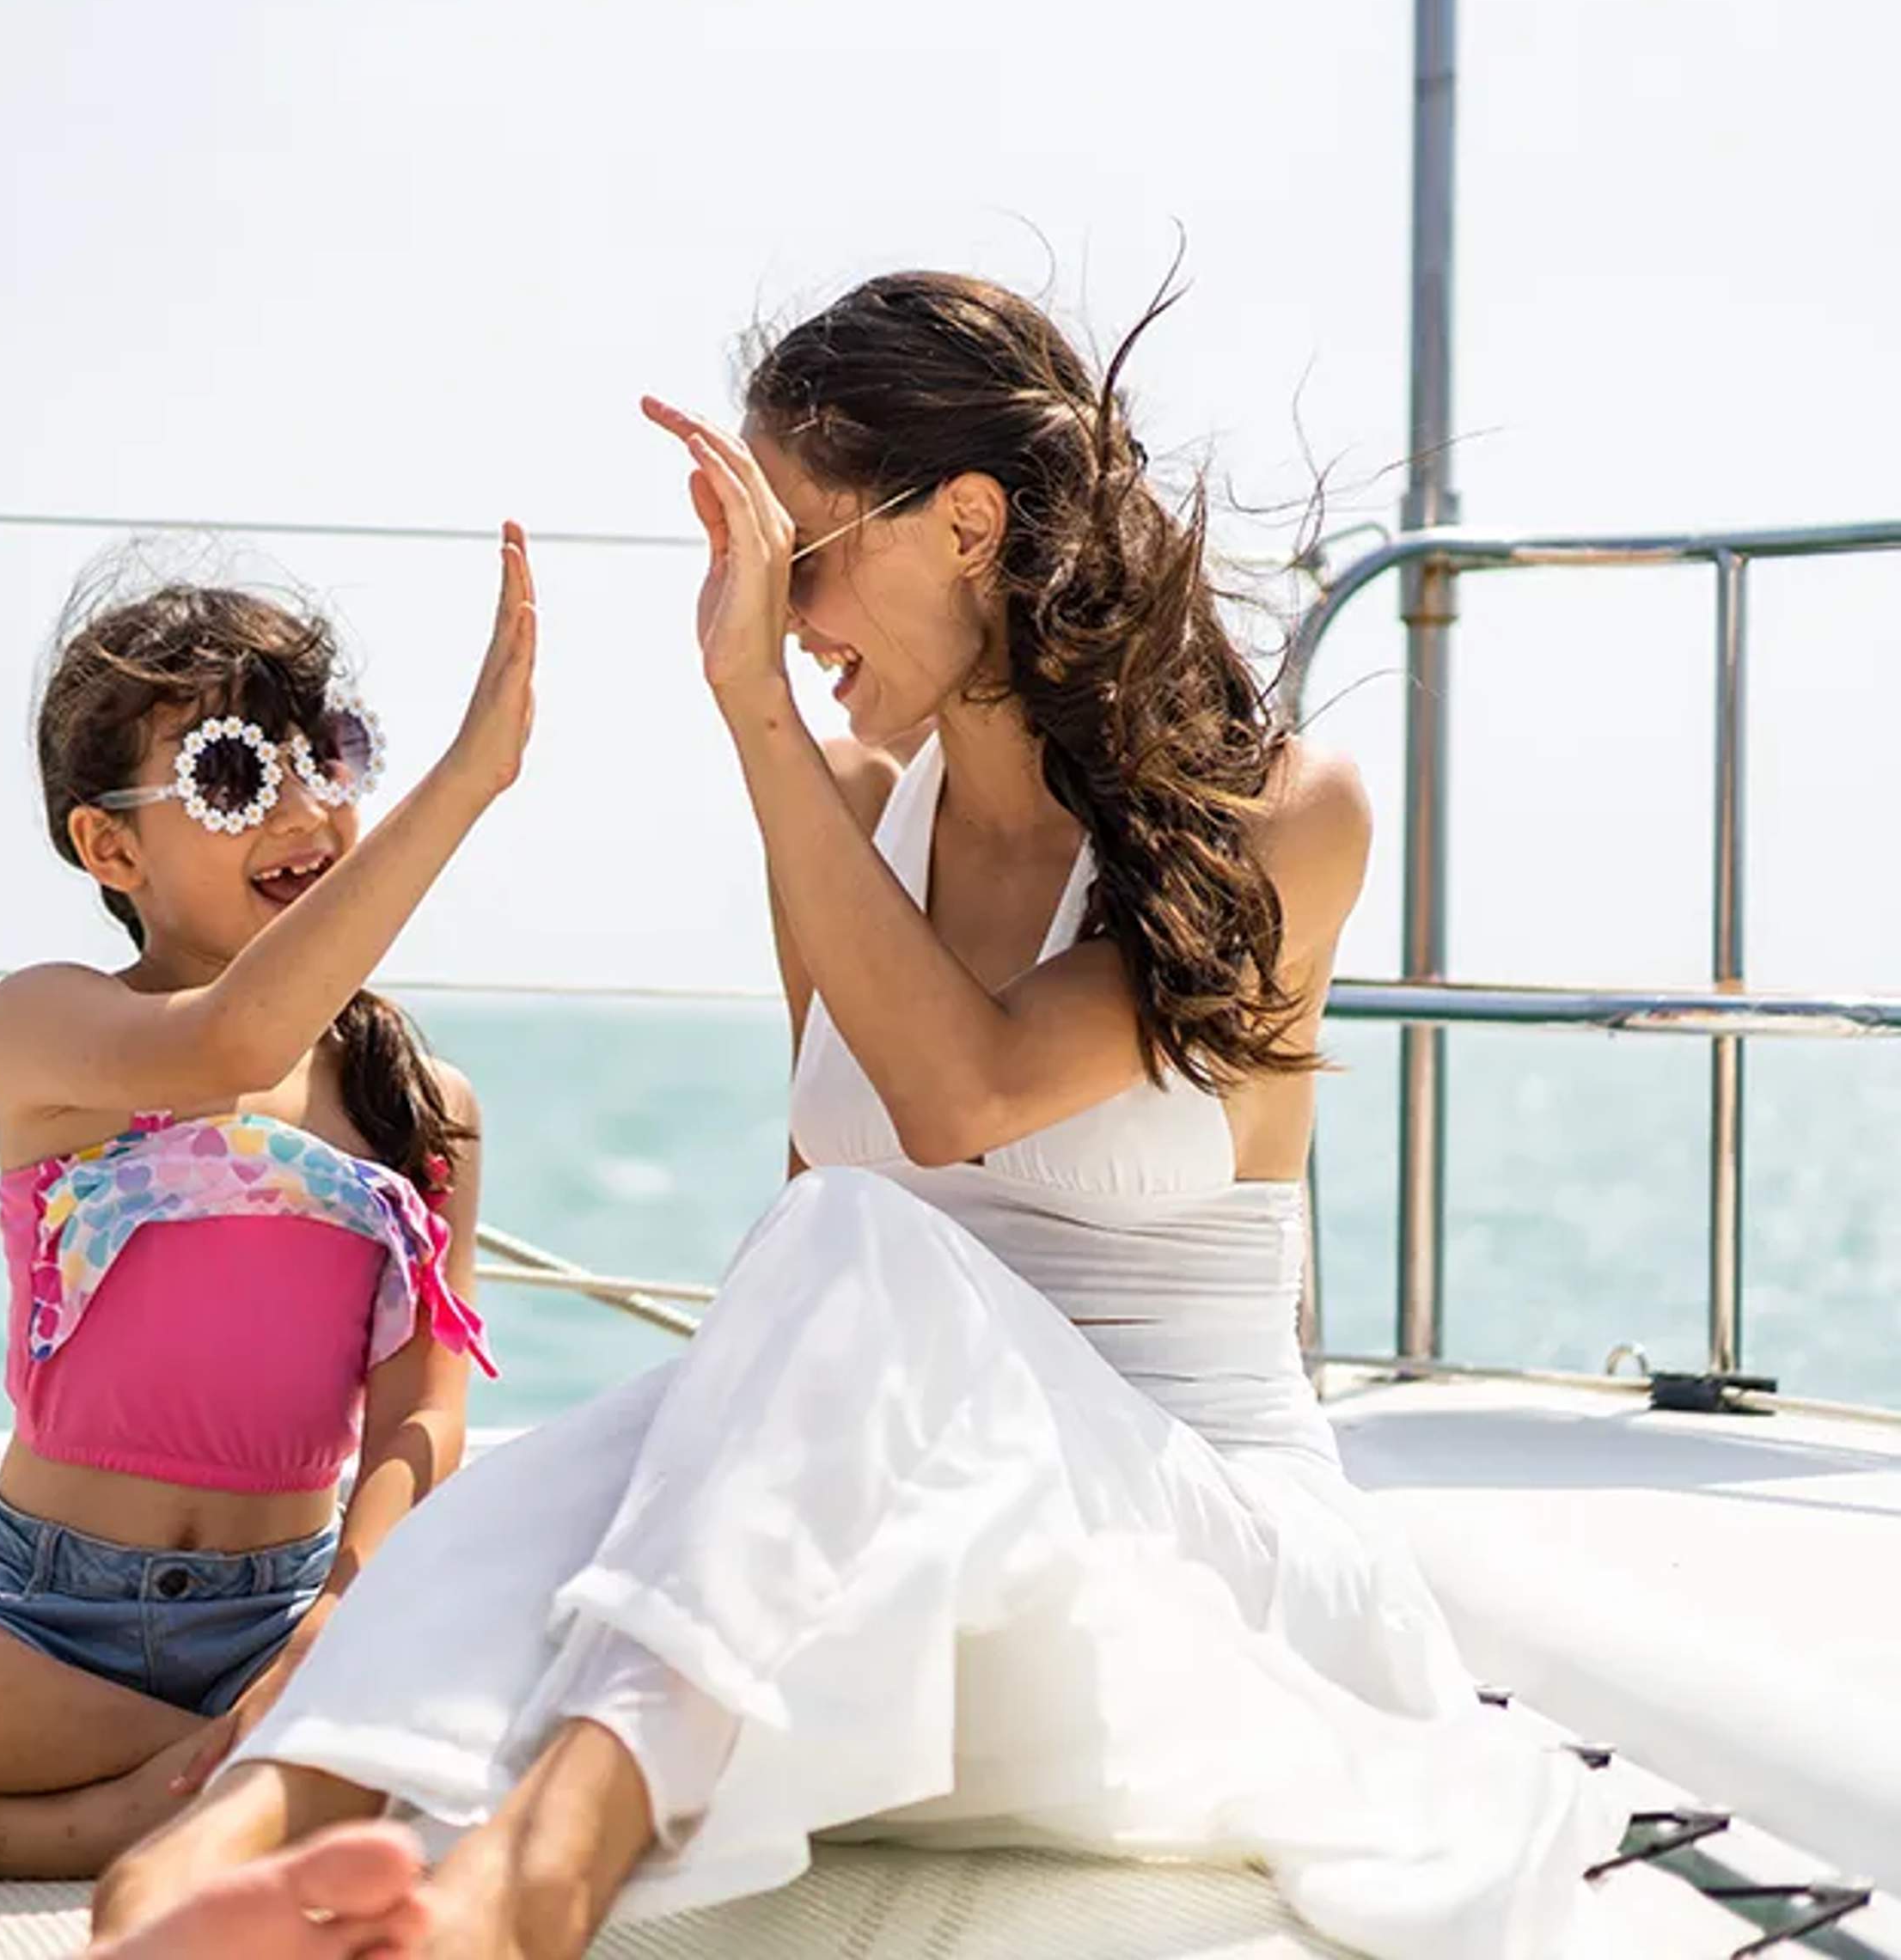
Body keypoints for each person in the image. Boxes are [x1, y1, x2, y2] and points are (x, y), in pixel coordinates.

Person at [94, 273, 1610, 1960]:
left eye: (793, 551)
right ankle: (183, 1872)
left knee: (855, 1241)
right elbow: (805, 1256)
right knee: (580, 1460)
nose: (773, 610)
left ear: (969, 522)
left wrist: (748, 704)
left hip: (1187, 1591)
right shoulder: (858, 813)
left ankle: (534, 1877)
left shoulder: (1285, 819)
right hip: (911, 1604)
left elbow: (962, 1100)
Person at [0, 540, 535, 1881]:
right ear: (108, 844)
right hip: (42, 1617)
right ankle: (243, 1774)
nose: (304, 809)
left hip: (288, 1611)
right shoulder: (55, 1026)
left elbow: (425, 1411)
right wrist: (466, 786)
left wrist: (344, 1615)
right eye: (234, 775)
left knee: (531, 1629)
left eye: (328, 755)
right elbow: (232, 1044)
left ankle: (98, 1815)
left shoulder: (420, 1106)